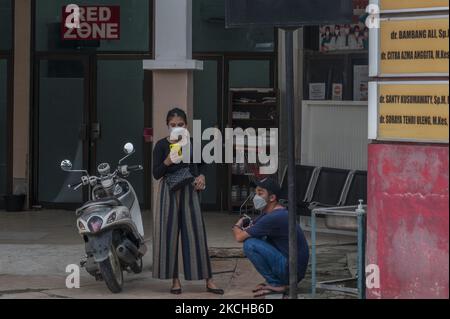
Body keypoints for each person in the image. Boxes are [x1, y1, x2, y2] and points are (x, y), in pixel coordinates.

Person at [152, 108, 224, 295]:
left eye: (181, 125)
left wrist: (202, 176)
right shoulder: (161, 145)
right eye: (173, 125)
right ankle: (175, 281)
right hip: (168, 192)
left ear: (187, 125)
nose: (177, 128)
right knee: (169, 235)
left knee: (196, 234)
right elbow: (156, 173)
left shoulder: (192, 143)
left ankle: (209, 280)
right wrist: (168, 161)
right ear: (167, 126)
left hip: (190, 190)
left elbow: (201, 166)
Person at [232, 178, 310, 298]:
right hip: (292, 267)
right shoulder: (269, 213)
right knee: (258, 237)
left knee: (250, 244)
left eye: (260, 193)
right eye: (256, 192)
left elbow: (239, 237)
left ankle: (276, 283)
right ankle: (276, 280)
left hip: (292, 271)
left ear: (272, 198)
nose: (256, 197)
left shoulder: (274, 217)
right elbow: (253, 226)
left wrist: (237, 225)